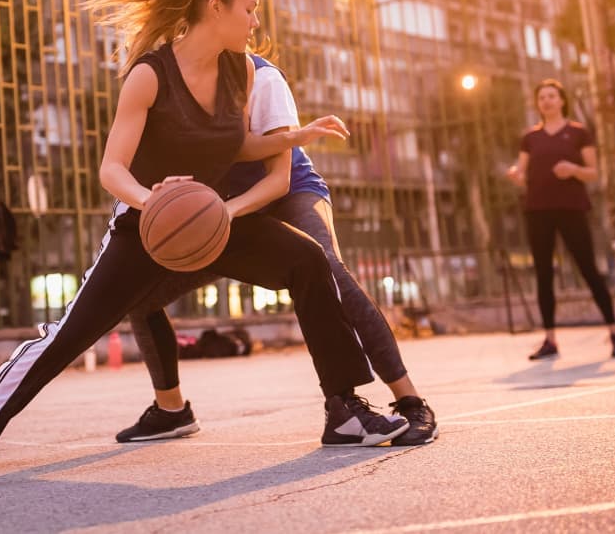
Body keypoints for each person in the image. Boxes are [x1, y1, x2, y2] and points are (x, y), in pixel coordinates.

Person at [0, 0, 407, 474]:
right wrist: (154, 201)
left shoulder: (240, 72)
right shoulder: (151, 74)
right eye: (250, 8)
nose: (256, 21)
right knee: (69, 334)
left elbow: (233, 145)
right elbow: (112, 169)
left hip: (209, 220)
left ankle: (344, 410)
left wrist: (295, 136)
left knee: (307, 260)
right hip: (145, 228)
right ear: (215, 8)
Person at [116, 54, 438, 446]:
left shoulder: (262, 77)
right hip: (217, 208)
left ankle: (408, 401)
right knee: (137, 294)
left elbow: (279, 179)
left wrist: (222, 213)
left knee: (327, 269)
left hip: (284, 193)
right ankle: (171, 410)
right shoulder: (168, 84)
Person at [505, 79, 615, 360]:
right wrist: (515, 175)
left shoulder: (579, 133)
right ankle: (550, 340)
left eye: (551, 96)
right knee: (544, 275)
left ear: (562, 101)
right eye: (542, 97)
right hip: (538, 210)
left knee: (588, 270)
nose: (546, 101)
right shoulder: (530, 138)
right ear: (538, 103)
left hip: (572, 209)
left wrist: (573, 169)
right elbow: (521, 174)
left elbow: (593, 172)